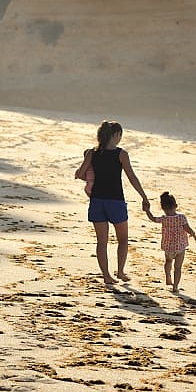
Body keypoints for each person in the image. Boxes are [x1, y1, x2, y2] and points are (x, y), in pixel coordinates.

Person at [75, 120, 150, 285]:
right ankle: (121, 271)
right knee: (123, 239)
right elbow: (131, 177)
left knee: (102, 242)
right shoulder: (121, 154)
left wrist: (89, 176)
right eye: (120, 135)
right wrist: (144, 197)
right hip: (115, 201)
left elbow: (80, 174)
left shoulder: (91, 153)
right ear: (116, 135)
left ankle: (107, 276)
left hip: (97, 201)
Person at [144, 191, 196, 292]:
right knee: (178, 267)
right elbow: (187, 228)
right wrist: (192, 233)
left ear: (163, 208)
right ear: (176, 206)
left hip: (168, 247)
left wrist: (147, 211)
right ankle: (175, 286)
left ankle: (168, 276)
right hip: (180, 247)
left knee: (168, 262)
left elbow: (153, 218)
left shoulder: (164, 218)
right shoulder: (181, 218)